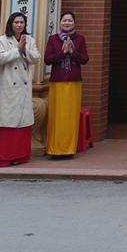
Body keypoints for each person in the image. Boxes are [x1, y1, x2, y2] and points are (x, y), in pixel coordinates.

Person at [0, 11, 40, 167]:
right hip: (7, 87)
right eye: (16, 22)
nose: (19, 25)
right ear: (11, 24)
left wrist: (24, 49)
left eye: (22, 22)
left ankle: (19, 155)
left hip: (23, 88)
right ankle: (1, 157)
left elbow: (36, 57)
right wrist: (17, 50)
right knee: (5, 121)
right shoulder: (2, 40)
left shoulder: (29, 40)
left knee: (21, 121)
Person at [43, 10, 88, 160]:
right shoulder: (53, 39)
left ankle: (68, 149)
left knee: (70, 116)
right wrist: (63, 53)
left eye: (70, 20)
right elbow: (48, 59)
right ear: (60, 22)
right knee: (56, 115)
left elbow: (84, 59)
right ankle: (55, 149)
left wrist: (72, 52)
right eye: (64, 20)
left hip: (73, 82)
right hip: (57, 82)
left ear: (74, 23)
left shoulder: (80, 39)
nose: (67, 23)